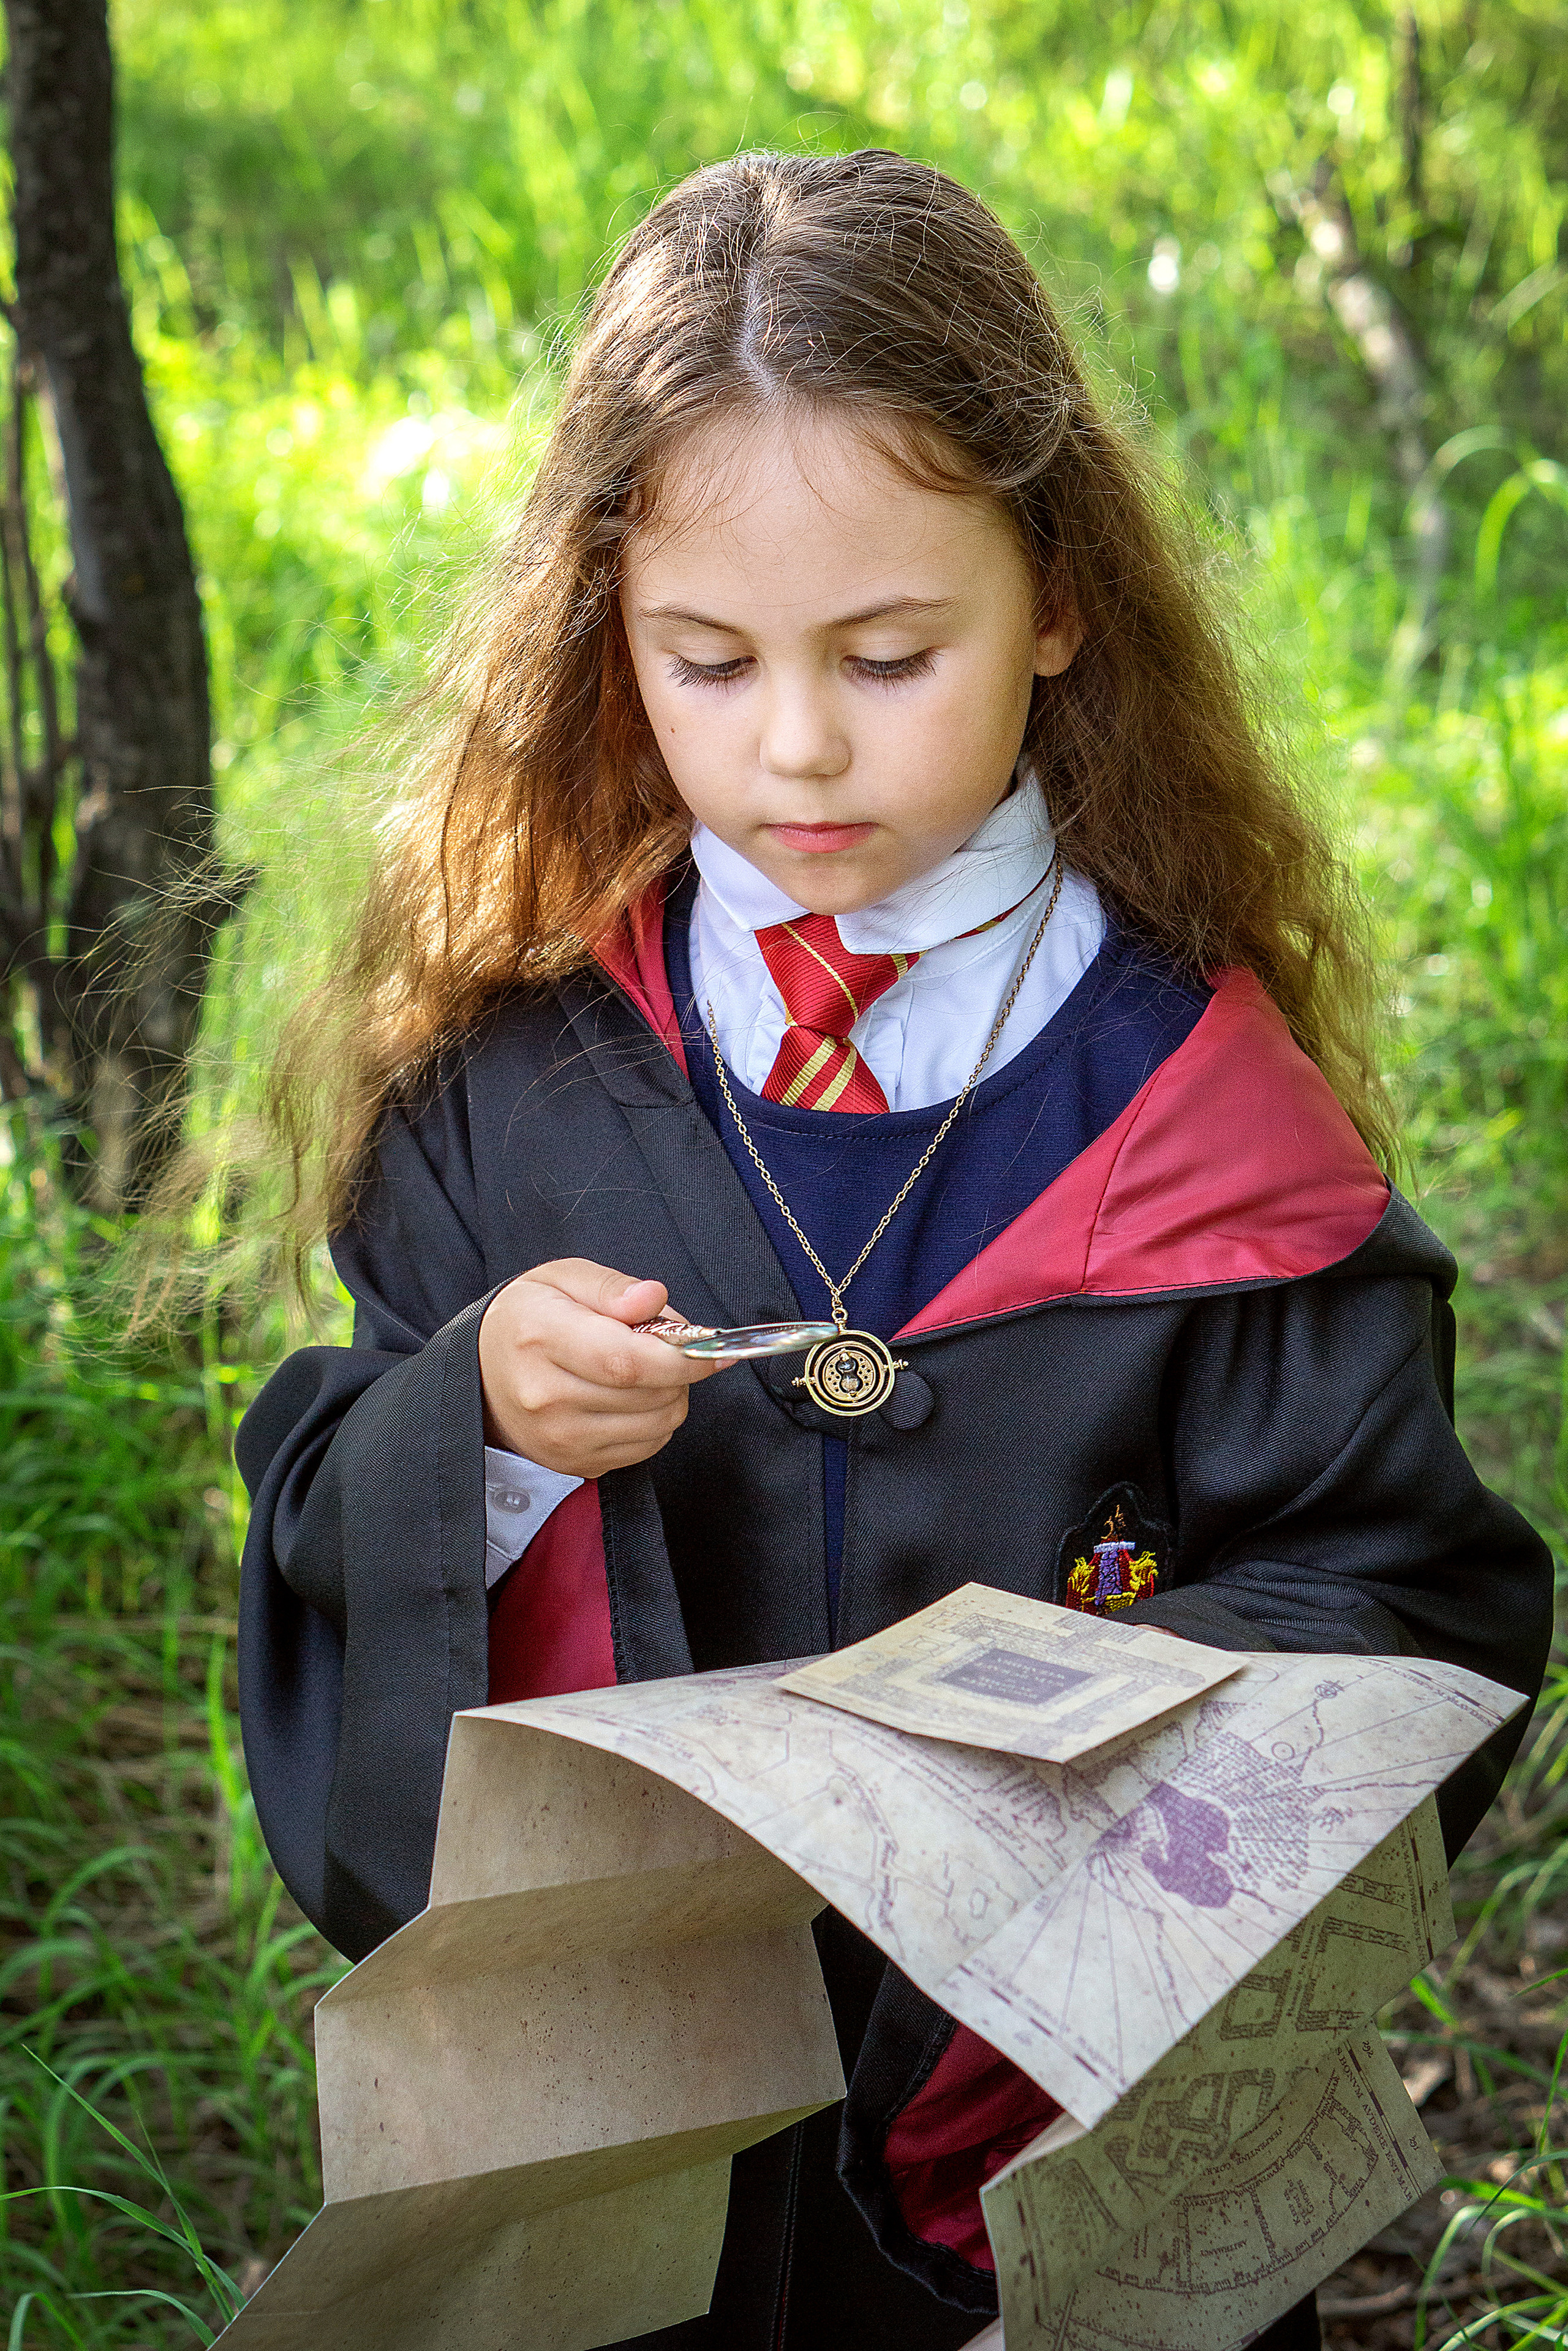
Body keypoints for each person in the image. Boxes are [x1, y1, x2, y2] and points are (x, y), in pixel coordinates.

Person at [235, 149, 1552, 2351]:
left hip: (1055, 2117)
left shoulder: (1209, 1131)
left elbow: (1405, 1596)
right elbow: (333, 1507)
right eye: (710, 661)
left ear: (1055, 599)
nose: (799, 747)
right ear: (607, 633)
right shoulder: (517, 1086)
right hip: (639, 2160)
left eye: (888, 653)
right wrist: (481, 1428)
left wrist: (1095, 1763)